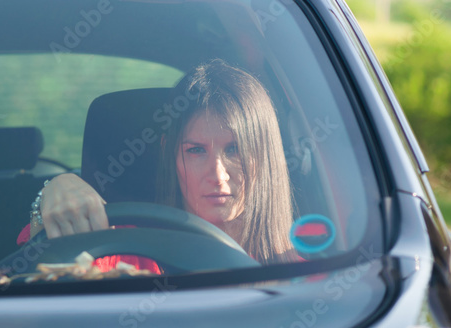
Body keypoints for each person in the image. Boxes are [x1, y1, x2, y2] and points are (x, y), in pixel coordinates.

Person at [16, 59, 297, 269]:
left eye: (235, 149)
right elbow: (46, 263)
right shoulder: (125, 253)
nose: (218, 174)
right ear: (170, 154)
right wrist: (55, 190)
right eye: (196, 150)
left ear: (264, 155)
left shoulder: (307, 275)